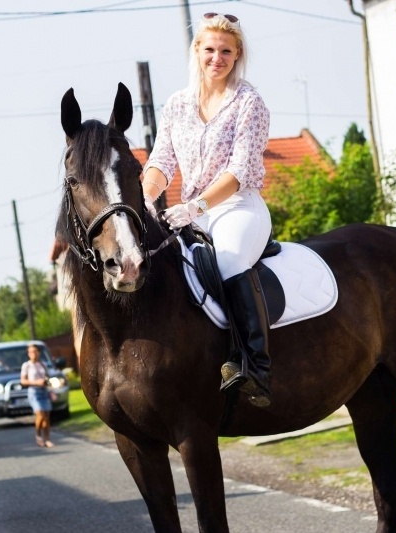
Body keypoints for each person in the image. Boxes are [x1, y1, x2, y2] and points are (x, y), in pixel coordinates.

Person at [141, 13, 272, 407]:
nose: (218, 58)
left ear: (238, 55)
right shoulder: (177, 104)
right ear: (197, 51)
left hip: (237, 206)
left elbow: (240, 169)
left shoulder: (249, 103)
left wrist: (196, 205)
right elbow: (161, 162)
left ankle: (255, 367)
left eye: (226, 51)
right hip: (190, 212)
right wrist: (147, 197)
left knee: (228, 261)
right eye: (210, 49)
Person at [20, 343, 54, 448]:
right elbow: (23, 381)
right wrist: (36, 382)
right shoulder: (26, 365)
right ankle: (38, 435)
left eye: (35, 351)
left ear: (39, 352)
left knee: (46, 417)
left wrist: (51, 389)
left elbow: (47, 378)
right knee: (40, 414)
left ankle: (47, 439)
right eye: (30, 352)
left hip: (44, 391)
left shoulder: (43, 364)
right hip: (34, 392)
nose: (33, 354)